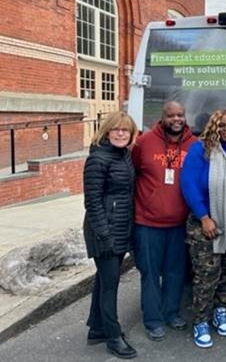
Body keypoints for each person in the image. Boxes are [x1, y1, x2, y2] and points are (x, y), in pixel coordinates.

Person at [180, 109, 226, 349]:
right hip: (205, 224)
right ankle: (200, 321)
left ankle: (221, 310)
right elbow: (188, 184)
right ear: (214, 127)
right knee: (206, 276)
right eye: (222, 125)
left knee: (225, 273)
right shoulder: (201, 150)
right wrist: (204, 216)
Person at [132, 101, 197, 341]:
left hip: (179, 224)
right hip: (148, 223)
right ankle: (152, 319)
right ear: (163, 117)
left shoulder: (194, 145)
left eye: (180, 114)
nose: (176, 119)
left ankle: (171, 312)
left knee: (175, 272)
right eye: (171, 115)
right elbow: (134, 174)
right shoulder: (144, 142)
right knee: (149, 273)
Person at [82, 111, 138, 359]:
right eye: (115, 129)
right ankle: (113, 336)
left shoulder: (124, 155)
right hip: (103, 230)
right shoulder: (98, 159)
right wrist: (104, 235)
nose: (120, 133)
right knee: (110, 285)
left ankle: (96, 329)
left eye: (125, 130)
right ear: (106, 131)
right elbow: (92, 202)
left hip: (119, 227)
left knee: (103, 281)